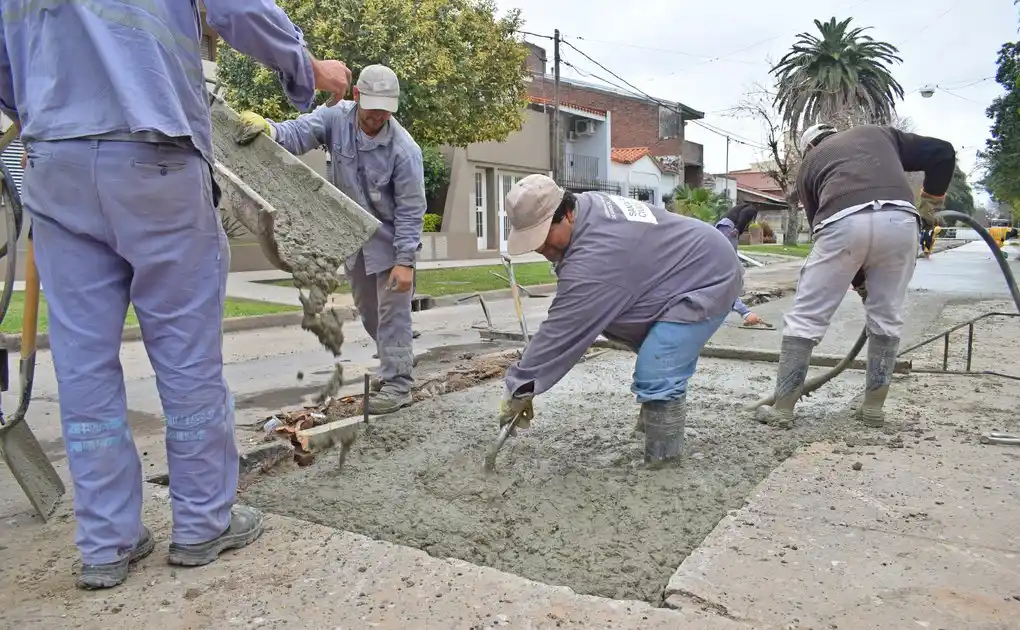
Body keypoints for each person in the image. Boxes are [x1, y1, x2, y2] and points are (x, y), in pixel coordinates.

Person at [0, 1, 353, 590]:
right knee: (186, 356)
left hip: (54, 160)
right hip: (153, 152)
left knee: (83, 362)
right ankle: (201, 523)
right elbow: (237, 6)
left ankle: (106, 542)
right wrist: (308, 67)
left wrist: (46, 109)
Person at [495, 175, 743, 463]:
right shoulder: (586, 205)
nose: (540, 249)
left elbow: (563, 329)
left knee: (658, 368)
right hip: (674, 266)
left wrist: (520, 386)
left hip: (707, 275)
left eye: (543, 237)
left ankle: (663, 464)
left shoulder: (597, 256)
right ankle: (653, 420)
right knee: (621, 323)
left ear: (568, 214)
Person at [236, 65, 426, 415]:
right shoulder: (336, 119)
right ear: (356, 97)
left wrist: (405, 262)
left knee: (392, 316)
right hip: (355, 243)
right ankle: (393, 366)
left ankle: (399, 385)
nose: (379, 116)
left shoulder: (404, 151)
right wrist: (271, 131)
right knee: (371, 316)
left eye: (386, 109)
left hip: (389, 245)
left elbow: (412, 211)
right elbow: (300, 132)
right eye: (372, 107)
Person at [754, 123, 956, 430]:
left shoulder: (809, 164)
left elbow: (824, 229)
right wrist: (929, 205)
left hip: (841, 220)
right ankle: (873, 409)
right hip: (901, 221)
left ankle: (783, 410)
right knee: (886, 316)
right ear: (836, 132)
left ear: (809, 146)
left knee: (806, 317)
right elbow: (942, 152)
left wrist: (859, 278)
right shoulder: (880, 134)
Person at [714, 203, 768, 327]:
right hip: (729, 231)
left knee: (727, 277)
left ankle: (742, 313)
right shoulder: (752, 209)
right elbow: (746, 214)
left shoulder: (730, 216)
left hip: (722, 230)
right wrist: (738, 228)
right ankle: (745, 314)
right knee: (729, 278)